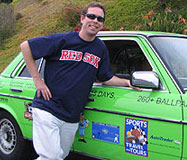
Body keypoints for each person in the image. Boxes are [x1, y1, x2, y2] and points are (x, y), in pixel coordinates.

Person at [20, 2, 140, 160]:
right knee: (51, 156)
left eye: (99, 19)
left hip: (72, 115)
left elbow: (106, 77)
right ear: (82, 19)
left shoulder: (100, 49)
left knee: (60, 155)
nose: (95, 20)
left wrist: (127, 82)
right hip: (48, 108)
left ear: (102, 24)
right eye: (91, 16)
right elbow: (26, 46)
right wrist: (38, 80)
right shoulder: (63, 40)